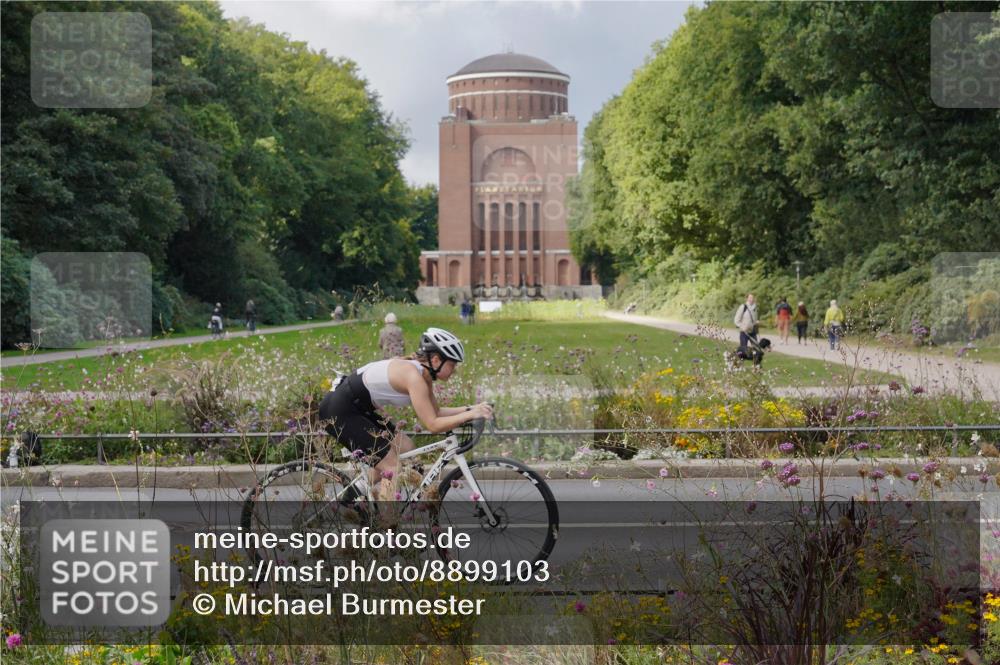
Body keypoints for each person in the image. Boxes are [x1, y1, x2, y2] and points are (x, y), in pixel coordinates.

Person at [317, 327, 492, 500]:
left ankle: (350, 497)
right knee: (392, 467)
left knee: (405, 447)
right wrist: (469, 415)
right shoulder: (413, 377)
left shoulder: (423, 375)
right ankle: (386, 525)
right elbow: (432, 424)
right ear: (437, 360)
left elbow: (436, 412)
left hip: (356, 407)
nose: (455, 369)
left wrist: (472, 409)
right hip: (340, 410)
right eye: (452, 364)